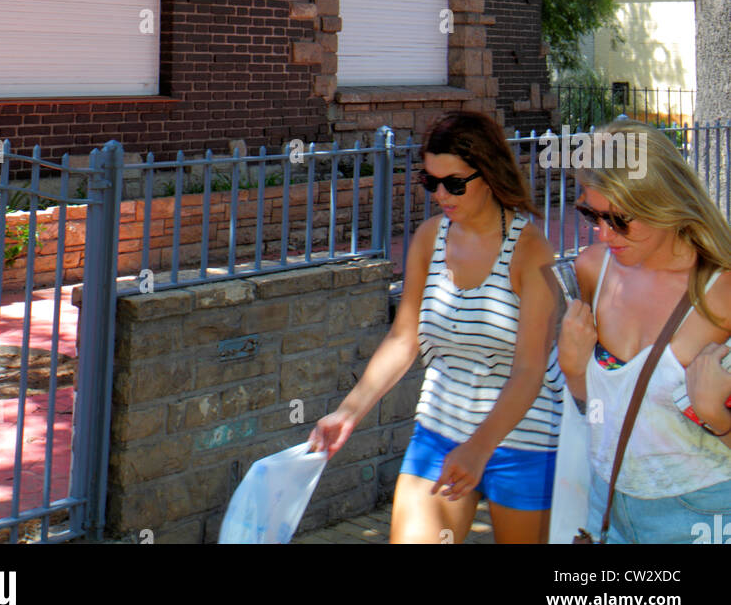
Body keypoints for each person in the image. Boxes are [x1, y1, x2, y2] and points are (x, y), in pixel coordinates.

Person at [308, 111, 564, 543]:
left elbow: (529, 369)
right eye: (430, 182)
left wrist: (481, 448)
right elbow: (405, 337)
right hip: (441, 427)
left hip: (525, 436)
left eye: (454, 183)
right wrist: (347, 412)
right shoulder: (430, 238)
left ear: (491, 173)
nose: (441, 195)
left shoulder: (531, 251)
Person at [558, 119, 731, 544]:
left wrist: (718, 418)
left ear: (662, 202)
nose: (601, 233)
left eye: (618, 219)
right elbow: (602, 411)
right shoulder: (592, 270)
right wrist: (573, 370)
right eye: (590, 214)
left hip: (699, 516)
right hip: (606, 505)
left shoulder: (722, 293)